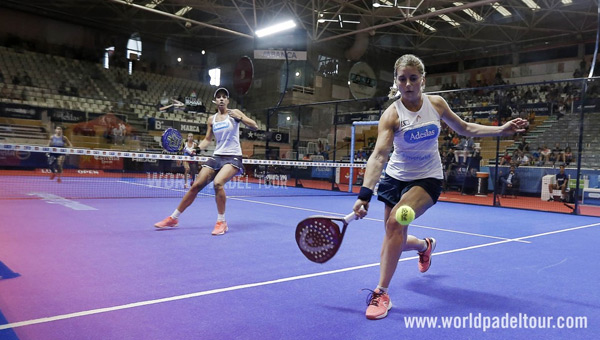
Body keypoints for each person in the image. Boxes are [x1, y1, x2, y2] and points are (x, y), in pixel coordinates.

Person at [351, 54, 528, 320]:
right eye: (402, 79)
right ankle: (424, 245)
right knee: (392, 237)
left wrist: (501, 130)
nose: (408, 84)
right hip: (394, 178)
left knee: (395, 224)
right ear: (396, 82)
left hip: (427, 179)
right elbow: (378, 155)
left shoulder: (436, 104)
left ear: (422, 80)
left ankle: (381, 292)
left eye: (413, 78)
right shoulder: (391, 115)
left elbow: (465, 127)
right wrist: (364, 195)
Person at [154, 88, 258, 235]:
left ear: (227, 100)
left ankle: (221, 222)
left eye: (224, 97)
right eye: (218, 97)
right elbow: (207, 140)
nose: (221, 99)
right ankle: (173, 218)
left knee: (218, 183)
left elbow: (255, 125)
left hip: (233, 157)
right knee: (196, 185)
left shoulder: (235, 113)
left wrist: (240, 118)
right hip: (217, 156)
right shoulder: (212, 119)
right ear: (215, 101)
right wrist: (197, 149)